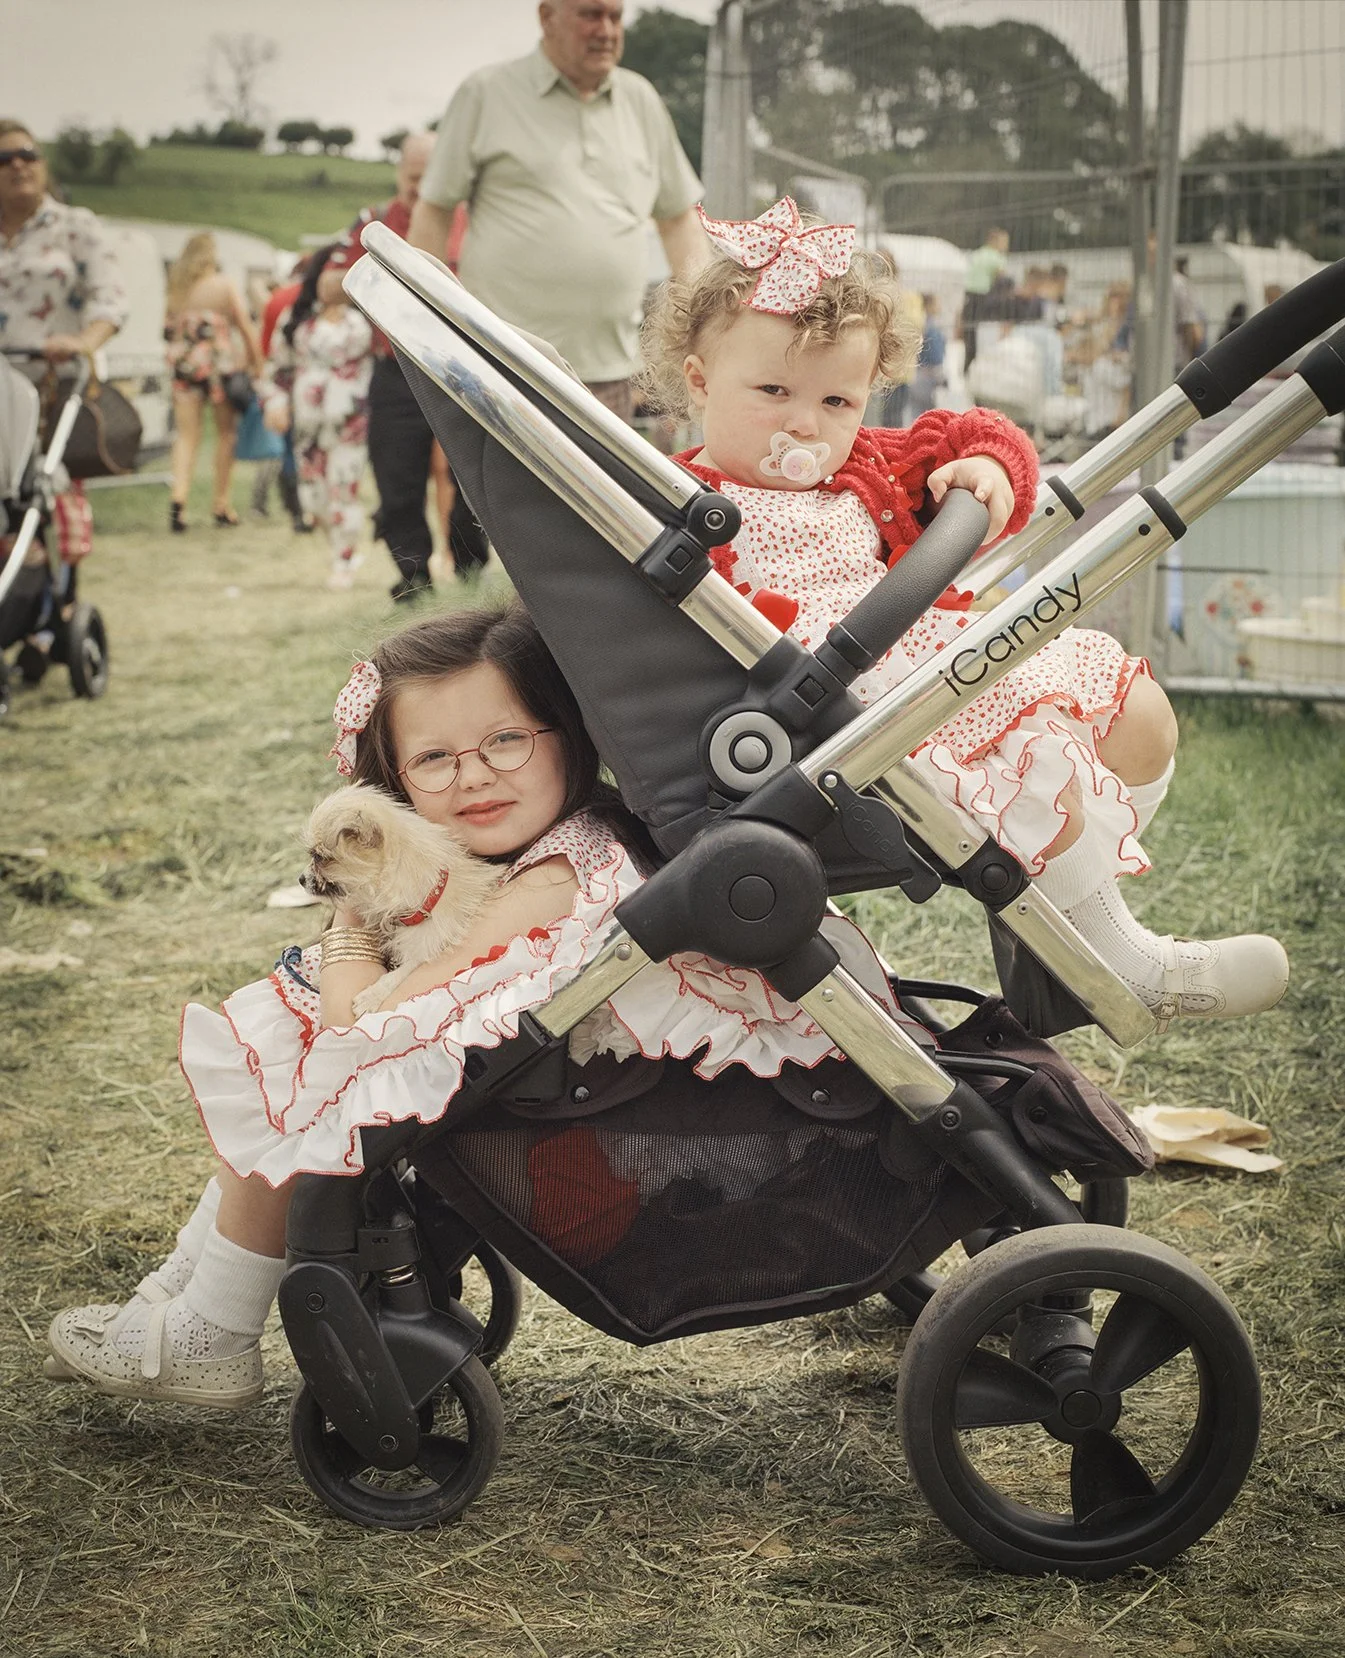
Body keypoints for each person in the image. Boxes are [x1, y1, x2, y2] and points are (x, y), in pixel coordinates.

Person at [44, 603, 865, 1406]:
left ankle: (210, 1329)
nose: (473, 775)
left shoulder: (553, 880)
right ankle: (181, 1295)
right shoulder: (545, 846)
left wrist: (351, 919)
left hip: (628, 1148)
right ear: (394, 784)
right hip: (545, 1095)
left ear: (568, 736)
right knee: (288, 1066)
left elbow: (354, 1029)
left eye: (506, 739)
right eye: (433, 759)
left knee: (308, 1074)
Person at [640, 197, 1289, 1027]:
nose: (803, 422)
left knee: (1136, 709)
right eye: (771, 390)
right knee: (1036, 742)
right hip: (824, 715)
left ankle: (1059, 934)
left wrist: (985, 465)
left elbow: (966, 435)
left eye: (837, 402)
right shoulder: (678, 504)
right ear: (698, 381)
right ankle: (1120, 972)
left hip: (921, 666)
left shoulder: (864, 468)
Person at [408, 0, 706, 427]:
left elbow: (678, 220)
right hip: (501, 368)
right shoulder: (486, 93)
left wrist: (705, 319)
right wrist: (427, 329)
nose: (606, 30)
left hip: (609, 377)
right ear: (547, 17)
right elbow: (433, 212)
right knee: (495, 497)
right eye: (590, 14)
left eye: (615, 17)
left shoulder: (640, 99)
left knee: (602, 497)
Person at [326, 133, 488, 603]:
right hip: (396, 368)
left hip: (461, 365)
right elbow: (327, 286)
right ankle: (412, 574)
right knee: (396, 475)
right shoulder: (373, 220)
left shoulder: (473, 221)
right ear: (400, 174)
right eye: (413, 179)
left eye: (430, 179)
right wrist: (378, 266)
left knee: (472, 472)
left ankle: (471, 562)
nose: (421, 189)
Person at [0, 118, 127, 677]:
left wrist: (82, 341)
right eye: (3, 160)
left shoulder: (75, 228)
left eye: (26, 154)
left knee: (37, 500)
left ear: (43, 163)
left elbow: (111, 300)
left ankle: (50, 610)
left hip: (48, 390)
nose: (17, 165)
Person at [260, 244, 373, 592]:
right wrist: (274, 403)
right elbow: (276, 370)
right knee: (314, 498)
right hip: (307, 423)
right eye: (328, 275)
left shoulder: (365, 319)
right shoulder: (297, 320)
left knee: (344, 489)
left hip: (349, 422)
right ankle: (339, 548)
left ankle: (343, 558)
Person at [164, 232, 263, 532]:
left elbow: (167, 330)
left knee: (186, 435)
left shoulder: (176, 290)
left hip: (185, 364)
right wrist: (257, 362)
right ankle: (221, 504)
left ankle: (178, 500)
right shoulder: (223, 285)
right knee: (225, 434)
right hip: (218, 365)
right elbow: (245, 326)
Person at [960, 226, 1009, 370]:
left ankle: (968, 367)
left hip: (969, 297)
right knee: (986, 336)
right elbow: (1002, 278)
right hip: (985, 299)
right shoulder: (997, 257)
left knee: (971, 335)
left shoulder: (976, 254)